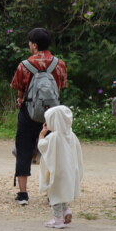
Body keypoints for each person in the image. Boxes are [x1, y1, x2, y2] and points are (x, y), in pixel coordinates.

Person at [9, 28, 68, 205]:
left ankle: (23, 194)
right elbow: (61, 87)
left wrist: (21, 99)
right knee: (51, 151)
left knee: (23, 149)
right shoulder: (59, 64)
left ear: (34, 45)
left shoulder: (24, 65)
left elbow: (19, 88)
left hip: (29, 112)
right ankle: (52, 193)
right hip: (52, 115)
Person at [37, 105, 83, 228]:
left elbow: (42, 146)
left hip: (57, 171)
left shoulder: (53, 137)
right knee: (64, 190)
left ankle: (57, 219)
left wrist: (42, 134)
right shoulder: (71, 135)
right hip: (69, 170)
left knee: (55, 194)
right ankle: (66, 210)